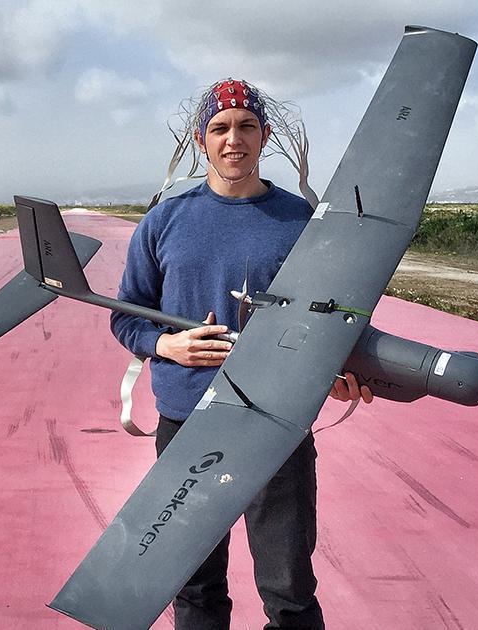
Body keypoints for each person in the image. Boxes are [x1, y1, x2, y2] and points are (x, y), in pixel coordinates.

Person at [109, 78, 373, 630]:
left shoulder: (305, 222)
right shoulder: (163, 222)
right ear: (202, 141)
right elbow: (127, 313)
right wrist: (167, 343)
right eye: (220, 128)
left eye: (247, 126)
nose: (235, 139)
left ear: (266, 135)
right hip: (187, 424)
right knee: (195, 587)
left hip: (277, 423)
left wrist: (343, 367)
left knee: (290, 589)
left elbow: (337, 316)